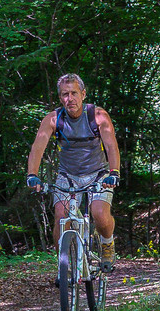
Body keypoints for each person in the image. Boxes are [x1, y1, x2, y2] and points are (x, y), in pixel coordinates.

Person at [25, 73, 120, 272]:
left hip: (98, 173)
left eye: (74, 93)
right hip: (67, 176)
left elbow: (111, 146)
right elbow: (37, 148)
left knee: (100, 214)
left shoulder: (98, 115)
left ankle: (107, 242)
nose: (70, 99)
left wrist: (114, 172)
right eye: (65, 94)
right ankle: (64, 263)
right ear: (60, 98)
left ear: (83, 94)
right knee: (61, 217)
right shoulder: (53, 119)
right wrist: (32, 174)